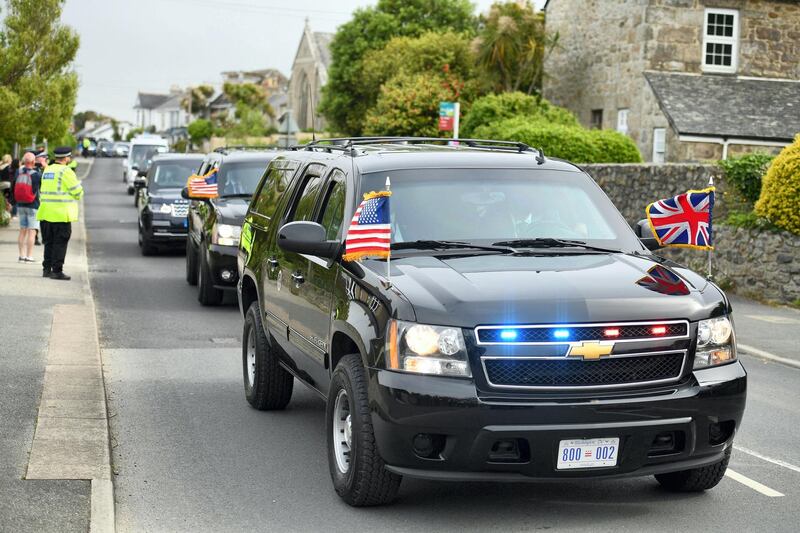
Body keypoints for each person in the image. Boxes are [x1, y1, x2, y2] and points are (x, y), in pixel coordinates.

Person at [37, 146, 83, 280]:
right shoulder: (66, 171)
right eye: (69, 157)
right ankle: (57, 271)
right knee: (60, 243)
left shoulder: (48, 170)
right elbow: (78, 192)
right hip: (61, 215)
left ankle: (46, 269)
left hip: (45, 213)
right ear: (66, 158)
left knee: (49, 243)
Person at [14, 152, 41, 262]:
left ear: (24, 161)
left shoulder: (18, 172)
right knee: (32, 231)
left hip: (20, 204)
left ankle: (21, 256)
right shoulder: (36, 174)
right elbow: (40, 188)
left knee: (22, 230)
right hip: (32, 205)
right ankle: (29, 256)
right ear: (33, 162)